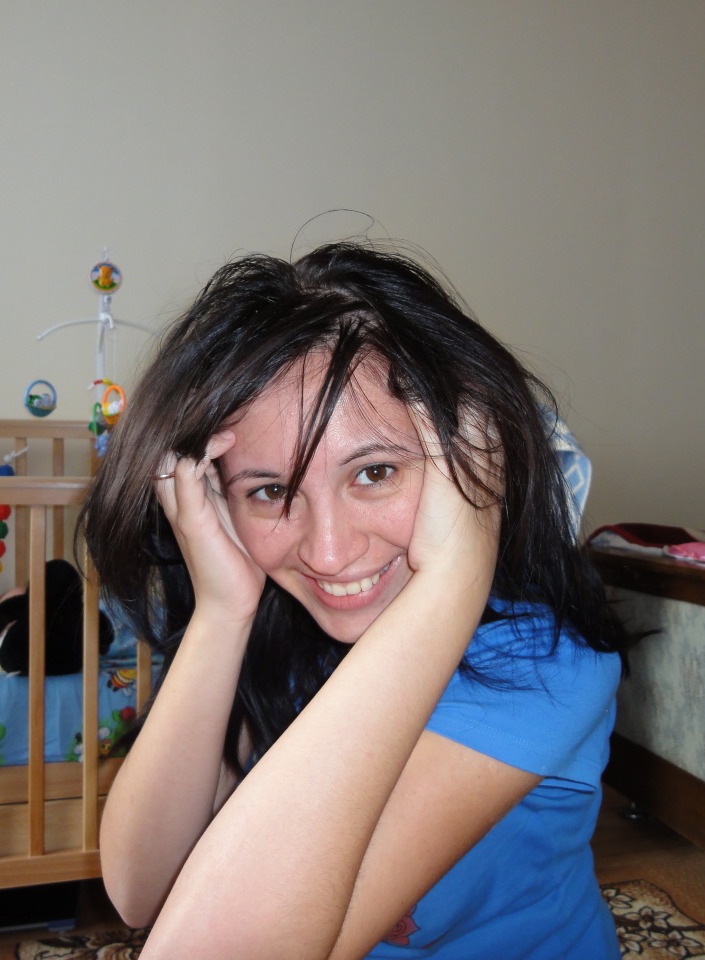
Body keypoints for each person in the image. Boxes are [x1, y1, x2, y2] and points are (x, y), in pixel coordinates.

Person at [78, 240, 630, 959]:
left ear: (473, 461)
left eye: (374, 473)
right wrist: (223, 611)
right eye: (271, 491)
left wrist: (454, 575)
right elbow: (141, 891)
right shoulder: (287, 631)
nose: (330, 552)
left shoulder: (543, 661)